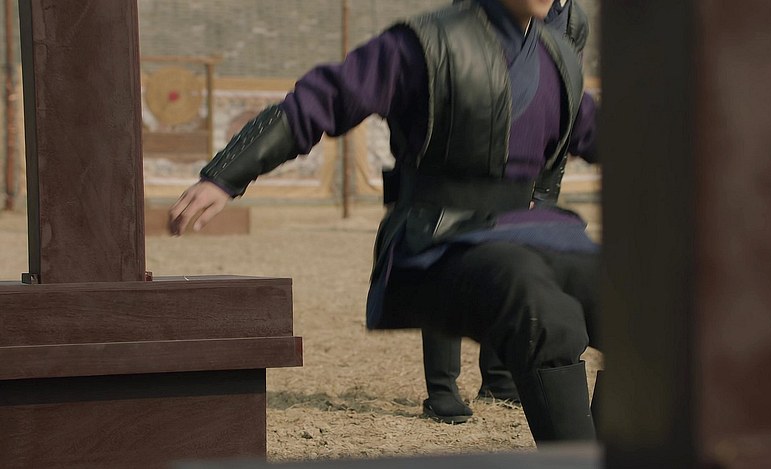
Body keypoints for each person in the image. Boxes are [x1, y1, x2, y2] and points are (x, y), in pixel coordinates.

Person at [169, 0, 599, 444]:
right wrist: (225, 177)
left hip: (527, 229)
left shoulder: (557, 57)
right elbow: (320, 100)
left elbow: (597, 132)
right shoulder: (424, 45)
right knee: (543, 310)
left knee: (635, 300)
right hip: (437, 237)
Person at [419, 0, 593, 425]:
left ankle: (498, 377)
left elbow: (564, 101)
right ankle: (441, 389)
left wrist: (543, 187)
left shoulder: (573, 20)